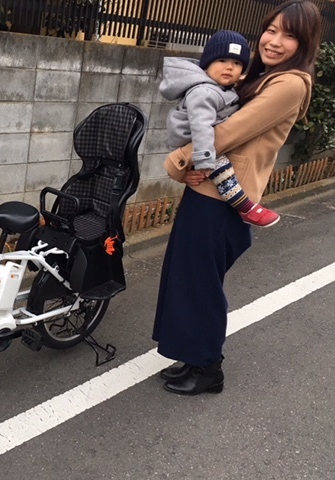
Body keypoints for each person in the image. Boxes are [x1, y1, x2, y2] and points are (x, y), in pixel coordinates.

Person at [152, 0, 323, 395]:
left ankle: (209, 369)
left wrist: (175, 164)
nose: (275, 41)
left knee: (201, 284)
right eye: (272, 29)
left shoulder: (290, 83)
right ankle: (191, 355)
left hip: (224, 202)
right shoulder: (260, 76)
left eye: (290, 35)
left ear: (305, 43)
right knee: (189, 278)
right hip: (209, 191)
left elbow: (227, 134)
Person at [160, 30, 280, 227]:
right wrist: (205, 157)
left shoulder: (220, 88)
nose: (229, 68)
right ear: (207, 63)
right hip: (195, 138)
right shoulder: (204, 91)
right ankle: (245, 207)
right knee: (221, 166)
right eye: (222, 60)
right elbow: (201, 125)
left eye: (237, 63)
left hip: (202, 138)